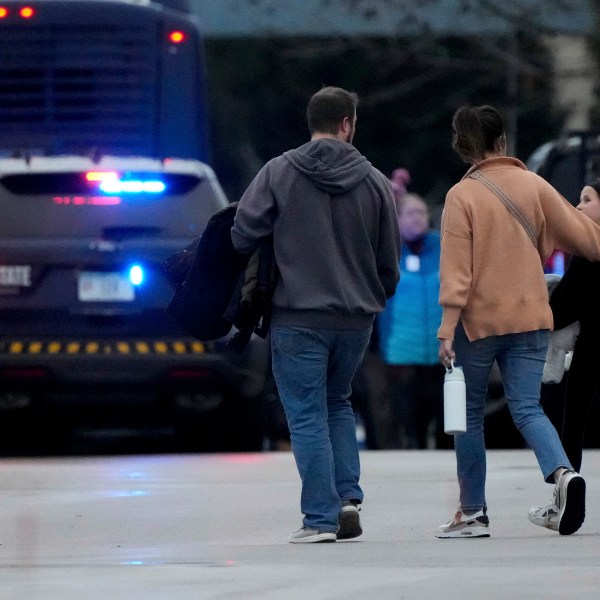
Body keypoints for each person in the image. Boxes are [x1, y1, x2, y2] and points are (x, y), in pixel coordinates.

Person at [231, 86, 401, 543]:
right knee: (338, 402)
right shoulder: (376, 183)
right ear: (347, 123)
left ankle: (320, 519)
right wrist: (372, 297)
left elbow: (242, 231)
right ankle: (347, 499)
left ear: (315, 121)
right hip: (355, 319)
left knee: (305, 414)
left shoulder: (279, 172)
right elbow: (390, 263)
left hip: (298, 316)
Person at [435, 104, 600, 539]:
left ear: (460, 146)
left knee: (467, 416)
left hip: (479, 323)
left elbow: (456, 272)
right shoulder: (534, 186)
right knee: (527, 407)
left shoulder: (461, 196)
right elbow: (590, 242)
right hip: (531, 317)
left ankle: (471, 513)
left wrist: (447, 326)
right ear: (502, 141)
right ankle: (564, 474)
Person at [378, 189, 446, 449]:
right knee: (410, 422)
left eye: (421, 212)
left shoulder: (444, 246)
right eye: (410, 212)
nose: (417, 217)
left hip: (441, 351)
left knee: (444, 421)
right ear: (397, 220)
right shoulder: (387, 250)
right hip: (401, 355)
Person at [549, 180, 600, 473]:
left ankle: (567, 502)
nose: (578, 205)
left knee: (574, 425)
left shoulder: (586, 256)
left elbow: (560, 312)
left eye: (587, 199)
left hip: (592, 349)